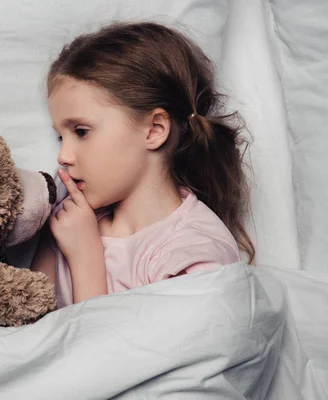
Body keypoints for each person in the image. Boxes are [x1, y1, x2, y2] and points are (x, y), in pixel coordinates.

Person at [30, 21, 255, 308]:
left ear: (154, 130)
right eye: (61, 137)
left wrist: (86, 259)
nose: (63, 156)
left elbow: (109, 352)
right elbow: (29, 330)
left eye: (81, 132)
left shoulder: (195, 254)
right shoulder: (68, 218)